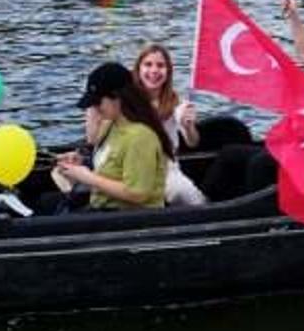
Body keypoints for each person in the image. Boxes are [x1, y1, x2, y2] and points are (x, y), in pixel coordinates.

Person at [51, 62, 171, 212]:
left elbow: (137, 193)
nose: (94, 108)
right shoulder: (110, 127)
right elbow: (111, 164)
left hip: (127, 219)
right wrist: (81, 161)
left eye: (97, 102)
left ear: (117, 97)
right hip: (101, 207)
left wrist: (87, 177)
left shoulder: (141, 137)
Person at [132, 45, 205, 206]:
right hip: (132, 168)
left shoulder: (174, 101)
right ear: (138, 69)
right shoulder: (127, 101)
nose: (154, 71)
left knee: (184, 192)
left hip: (165, 169)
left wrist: (188, 125)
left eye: (160, 65)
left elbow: (192, 142)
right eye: (148, 64)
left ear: (168, 71)